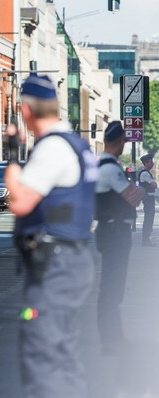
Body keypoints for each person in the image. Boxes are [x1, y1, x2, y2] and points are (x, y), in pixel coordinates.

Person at [4, 74, 98, 398]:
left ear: (26, 111)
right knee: (63, 352)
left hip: (55, 265)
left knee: (42, 352)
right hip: (72, 259)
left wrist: (13, 159)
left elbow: (20, 201)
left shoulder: (52, 148)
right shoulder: (76, 143)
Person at [95, 121, 145, 354]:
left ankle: (113, 338)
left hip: (113, 232)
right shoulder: (109, 168)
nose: (125, 144)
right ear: (118, 141)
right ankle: (110, 340)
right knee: (111, 288)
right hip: (114, 234)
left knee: (113, 288)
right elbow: (131, 197)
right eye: (124, 140)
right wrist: (142, 191)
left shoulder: (106, 166)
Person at [139, 153, 157, 246]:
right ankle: (145, 240)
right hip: (148, 199)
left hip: (149, 198)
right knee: (148, 219)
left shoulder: (147, 173)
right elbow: (154, 185)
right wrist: (154, 184)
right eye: (151, 162)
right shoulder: (145, 173)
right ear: (146, 163)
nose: (153, 164)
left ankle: (147, 239)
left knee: (149, 218)